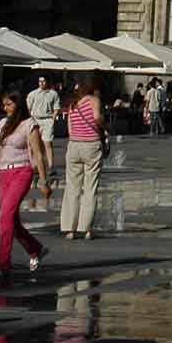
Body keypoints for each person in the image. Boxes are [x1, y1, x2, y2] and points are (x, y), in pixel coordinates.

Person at [0, 89, 51, 278]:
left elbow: (38, 153)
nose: (5, 108)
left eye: (9, 104)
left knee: (4, 217)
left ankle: (2, 263)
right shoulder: (3, 124)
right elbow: (0, 151)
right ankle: (35, 249)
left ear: (18, 105)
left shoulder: (29, 125)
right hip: (4, 173)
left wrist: (43, 180)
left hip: (22, 172)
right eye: (4, 104)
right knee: (12, 221)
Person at [59, 79, 107, 239]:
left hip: (73, 146)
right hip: (91, 145)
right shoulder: (94, 100)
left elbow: (70, 129)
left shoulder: (73, 104)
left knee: (72, 188)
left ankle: (70, 229)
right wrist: (105, 126)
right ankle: (86, 229)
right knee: (90, 188)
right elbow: (97, 117)